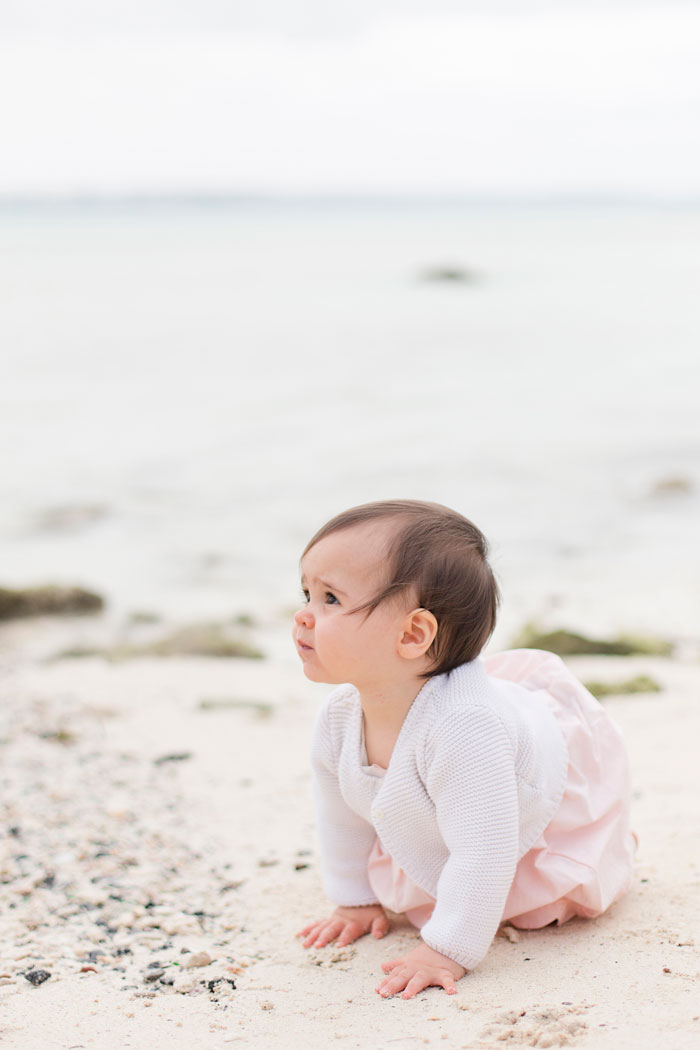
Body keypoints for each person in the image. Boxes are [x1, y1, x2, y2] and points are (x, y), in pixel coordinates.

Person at [293, 500, 636, 999]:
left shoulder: (464, 729)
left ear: (412, 634)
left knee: (541, 904)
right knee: (429, 834)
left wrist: (448, 948)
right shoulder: (339, 717)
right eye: (306, 592)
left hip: (526, 791)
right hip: (462, 789)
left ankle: (613, 842)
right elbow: (342, 813)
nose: (303, 615)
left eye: (330, 599)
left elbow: (485, 851)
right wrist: (354, 899)